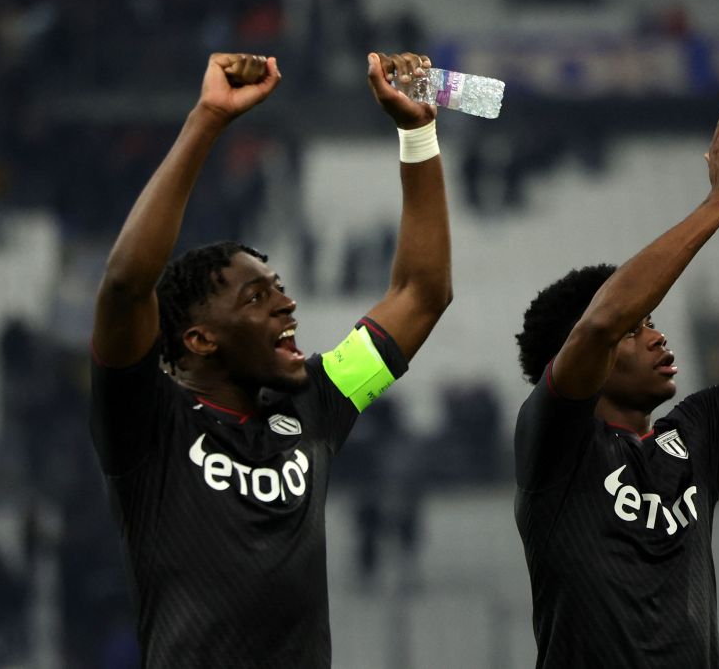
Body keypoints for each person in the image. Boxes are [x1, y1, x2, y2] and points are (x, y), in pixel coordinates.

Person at [89, 51, 451, 667]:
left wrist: (418, 133)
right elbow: (126, 286)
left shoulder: (316, 401)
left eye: (280, 287)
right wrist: (207, 118)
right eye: (258, 297)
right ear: (200, 339)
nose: (287, 305)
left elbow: (421, 294)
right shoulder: (149, 424)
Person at [513, 63, 719, 668]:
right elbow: (602, 321)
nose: (657, 337)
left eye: (653, 323)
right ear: (587, 358)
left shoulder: (698, 435)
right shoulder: (552, 444)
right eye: (639, 329)